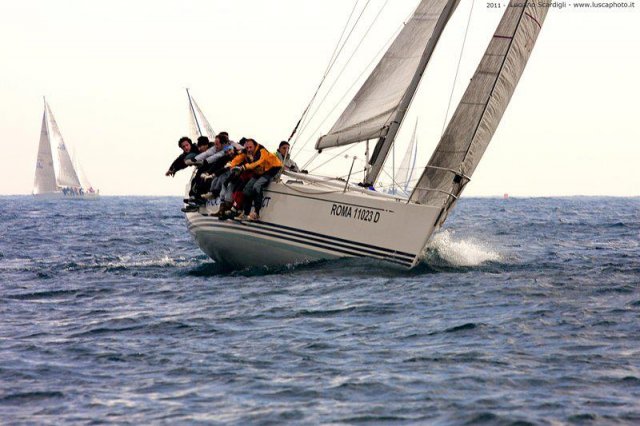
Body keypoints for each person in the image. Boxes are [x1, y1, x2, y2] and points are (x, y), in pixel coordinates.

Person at [225, 138, 282, 220]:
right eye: (247, 148)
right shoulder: (246, 151)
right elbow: (239, 158)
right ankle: (245, 214)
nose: (249, 149)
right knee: (246, 189)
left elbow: (257, 162)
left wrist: (243, 167)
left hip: (272, 168)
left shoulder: (262, 150)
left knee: (257, 186)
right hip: (260, 170)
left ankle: (256, 213)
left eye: (250, 147)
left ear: (255, 146)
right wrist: (231, 164)